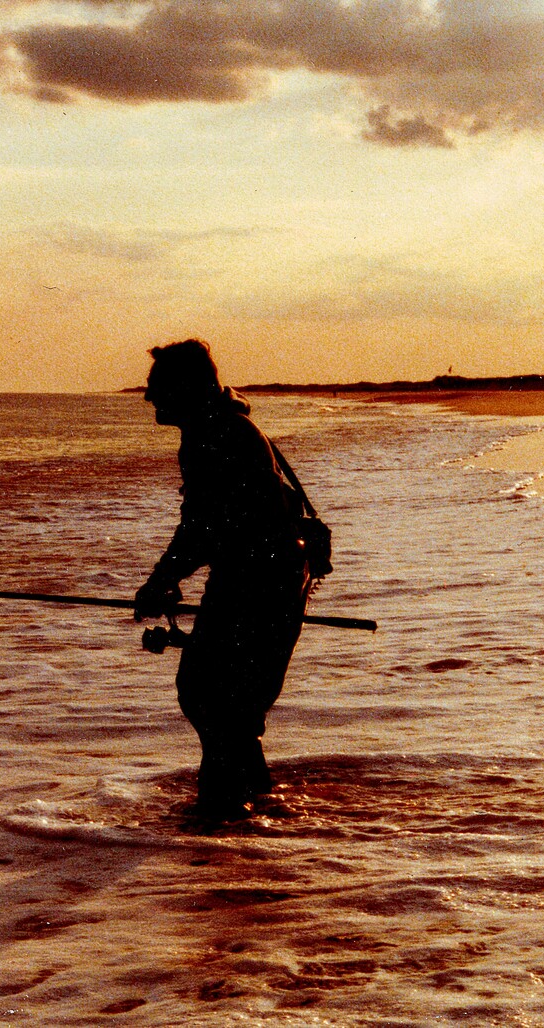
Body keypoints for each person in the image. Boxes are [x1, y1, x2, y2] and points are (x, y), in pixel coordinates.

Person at [134, 339, 312, 818]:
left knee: (214, 698)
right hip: (261, 577)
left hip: (262, 582)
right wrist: (168, 578)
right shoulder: (220, 427)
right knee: (221, 700)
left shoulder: (216, 435)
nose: (149, 397)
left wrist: (161, 580)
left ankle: (220, 821)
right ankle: (254, 806)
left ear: (186, 387)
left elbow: (202, 526)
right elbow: (209, 526)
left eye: (156, 386)